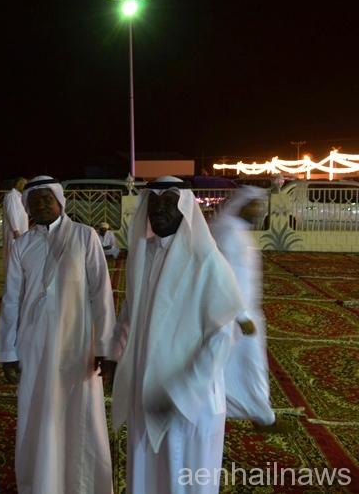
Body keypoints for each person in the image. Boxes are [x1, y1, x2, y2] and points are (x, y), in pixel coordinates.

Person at [110, 176, 245, 494]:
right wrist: (116, 352)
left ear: (185, 209)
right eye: (154, 203)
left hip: (190, 400)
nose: (159, 210)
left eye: (169, 203)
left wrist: (183, 393)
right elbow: (131, 311)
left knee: (185, 479)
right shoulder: (143, 254)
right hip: (147, 390)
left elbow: (222, 336)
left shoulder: (205, 260)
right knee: (147, 477)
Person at [0, 175, 116, 494]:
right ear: (27, 206)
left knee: (80, 414)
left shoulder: (84, 236)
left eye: (46, 198)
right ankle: (41, 483)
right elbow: (11, 300)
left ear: (59, 202)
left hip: (77, 343)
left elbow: (101, 293)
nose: (40, 204)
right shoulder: (22, 245)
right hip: (33, 344)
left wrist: (105, 346)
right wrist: (8, 351)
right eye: (34, 200)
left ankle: (83, 485)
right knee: (37, 413)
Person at [211, 186, 281, 429]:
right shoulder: (229, 233)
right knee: (248, 365)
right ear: (242, 205)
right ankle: (263, 416)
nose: (259, 211)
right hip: (235, 315)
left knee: (237, 365)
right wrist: (241, 316)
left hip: (245, 314)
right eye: (254, 205)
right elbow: (225, 278)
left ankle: (241, 409)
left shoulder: (238, 232)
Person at [2, 177, 29, 273]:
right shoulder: (11, 196)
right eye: (24, 184)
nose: (25, 186)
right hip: (14, 232)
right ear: (18, 184)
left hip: (21, 231)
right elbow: (11, 213)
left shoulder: (19, 196)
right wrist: (15, 230)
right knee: (12, 255)